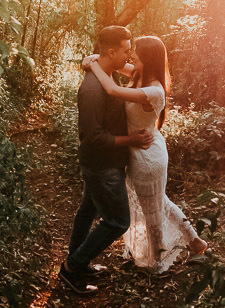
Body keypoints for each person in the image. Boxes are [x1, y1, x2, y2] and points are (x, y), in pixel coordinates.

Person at [84, 36, 207, 273]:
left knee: (153, 212)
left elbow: (112, 89)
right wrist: (94, 58)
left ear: (147, 59)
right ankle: (195, 241)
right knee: (160, 202)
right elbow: (115, 64)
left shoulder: (154, 91)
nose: (132, 56)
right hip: (142, 150)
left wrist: (93, 65)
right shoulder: (140, 74)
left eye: (136, 53)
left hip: (148, 157)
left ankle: (158, 263)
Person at [59, 26, 154, 296]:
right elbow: (93, 138)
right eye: (126, 50)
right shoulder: (92, 90)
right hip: (102, 165)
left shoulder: (107, 73)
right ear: (111, 52)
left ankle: (77, 262)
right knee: (118, 221)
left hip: (105, 163)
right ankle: (71, 267)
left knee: (88, 210)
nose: (129, 55)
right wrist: (131, 140)